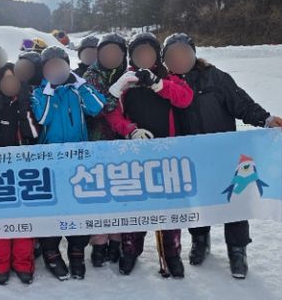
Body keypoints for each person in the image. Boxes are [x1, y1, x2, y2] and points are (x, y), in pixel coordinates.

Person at [163, 32, 282, 280]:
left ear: (194, 53)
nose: (179, 59)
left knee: (234, 202)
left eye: (184, 52)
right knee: (197, 200)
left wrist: (265, 119)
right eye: (172, 56)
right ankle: (200, 240)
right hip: (190, 156)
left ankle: (237, 250)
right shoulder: (165, 83)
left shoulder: (216, 77)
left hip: (224, 152)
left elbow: (242, 104)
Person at [106, 31, 194, 278]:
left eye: (148, 52)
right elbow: (112, 113)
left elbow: (184, 99)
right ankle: (130, 249)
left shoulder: (169, 78)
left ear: (156, 55)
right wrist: (130, 130)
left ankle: (172, 253)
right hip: (135, 153)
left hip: (167, 153)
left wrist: (158, 84)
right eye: (138, 52)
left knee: (169, 206)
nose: (144, 56)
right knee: (135, 205)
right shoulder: (126, 80)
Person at [31, 46, 105, 280]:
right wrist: (50, 90)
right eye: (50, 66)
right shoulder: (39, 92)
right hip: (49, 162)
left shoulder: (77, 90)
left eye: (59, 65)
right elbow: (42, 117)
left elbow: (97, 107)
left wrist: (80, 85)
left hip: (78, 160)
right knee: (50, 208)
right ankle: (51, 251)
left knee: (78, 207)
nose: (55, 70)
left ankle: (76, 251)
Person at [0, 63, 39, 285]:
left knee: (24, 220)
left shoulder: (28, 103)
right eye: (6, 79)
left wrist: (23, 108)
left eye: (14, 79)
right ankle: (0, 264)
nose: (10, 83)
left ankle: (23, 264)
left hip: (24, 172)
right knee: (0, 220)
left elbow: (33, 133)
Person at [82, 33, 128, 267]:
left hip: (124, 142)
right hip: (97, 141)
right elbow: (96, 108)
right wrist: (116, 90)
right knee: (100, 194)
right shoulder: (91, 76)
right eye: (106, 52)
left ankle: (116, 241)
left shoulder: (129, 73)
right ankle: (99, 242)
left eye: (116, 52)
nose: (111, 56)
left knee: (121, 193)